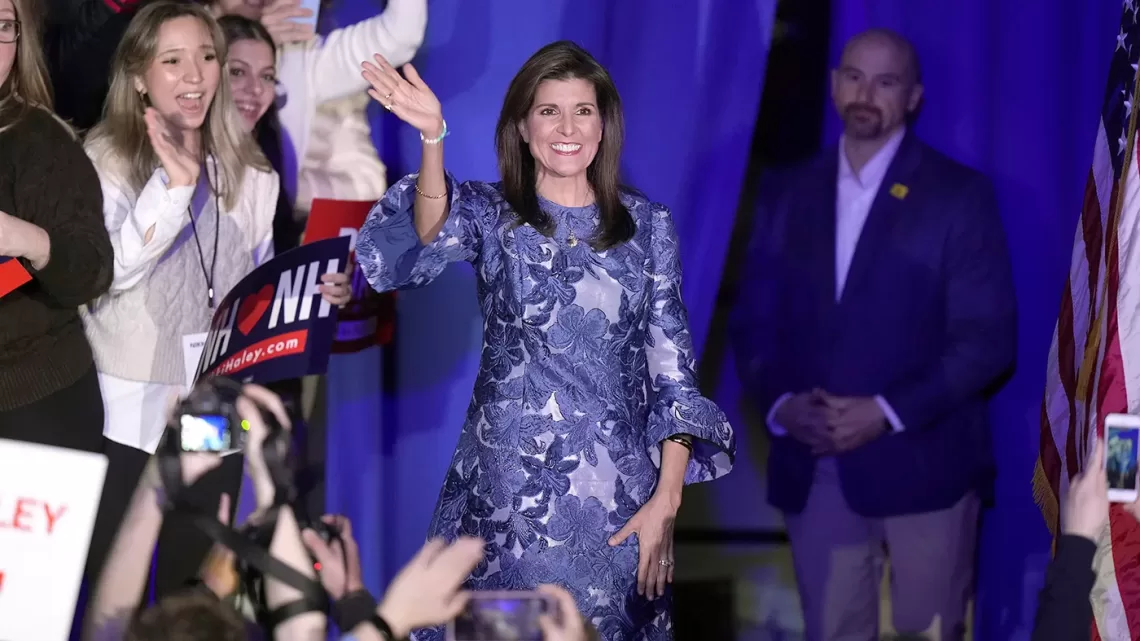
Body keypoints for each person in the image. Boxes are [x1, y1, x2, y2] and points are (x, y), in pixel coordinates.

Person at [355, 41, 737, 640]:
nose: (567, 127)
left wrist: (666, 501)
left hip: (622, 503)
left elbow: (673, 374)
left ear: (604, 125)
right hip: (511, 502)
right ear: (523, 128)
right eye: (548, 111)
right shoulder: (491, 213)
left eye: (583, 111)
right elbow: (427, 230)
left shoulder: (649, 227)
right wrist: (433, 137)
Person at [731, 28, 1016, 641]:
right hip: (818, 464)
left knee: (929, 634)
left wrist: (885, 411)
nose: (867, 92)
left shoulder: (959, 197)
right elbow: (754, 322)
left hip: (926, 464)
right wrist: (782, 406)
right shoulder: (786, 192)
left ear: (913, 97)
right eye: (855, 76)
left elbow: (987, 339)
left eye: (886, 81)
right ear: (834, 86)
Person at [78, 0, 349, 598]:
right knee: (109, 593)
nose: (196, 76)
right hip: (125, 409)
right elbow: (103, 277)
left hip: (211, 412)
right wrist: (172, 191)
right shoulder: (105, 160)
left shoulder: (252, 174)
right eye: (172, 60)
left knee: (191, 595)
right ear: (138, 75)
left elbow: (248, 303)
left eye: (206, 57)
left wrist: (313, 295)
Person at [0, 0, 113, 450]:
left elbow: (92, 270)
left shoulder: (39, 138)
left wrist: (24, 238)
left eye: (5, 25)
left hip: (37, 405)